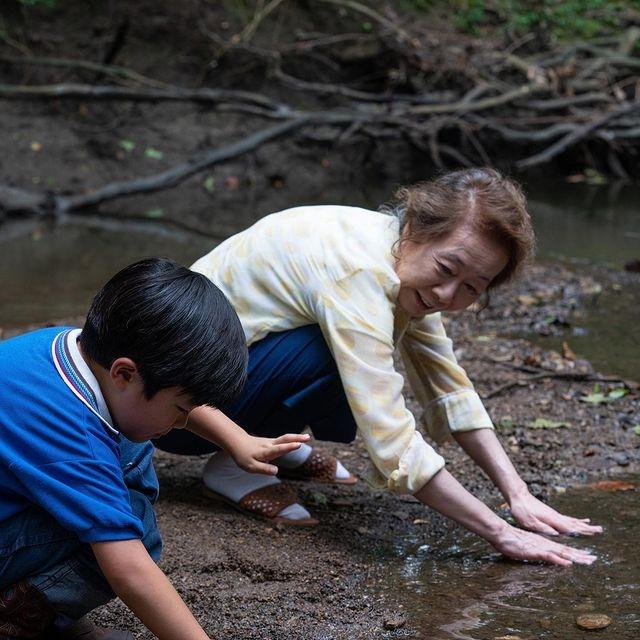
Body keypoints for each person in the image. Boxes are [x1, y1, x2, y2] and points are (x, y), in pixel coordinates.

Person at [156, 168, 601, 565]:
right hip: (176, 412)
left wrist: (518, 493)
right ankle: (234, 464)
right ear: (415, 227)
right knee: (336, 353)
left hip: (218, 378)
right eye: (447, 268)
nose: (449, 294)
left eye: (472, 286)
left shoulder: (397, 258)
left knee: (353, 344)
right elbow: (392, 439)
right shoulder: (360, 275)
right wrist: (503, 534)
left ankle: (274, 439)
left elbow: (447, 387)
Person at [0, 258, 309, 640]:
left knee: (131, 448)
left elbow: (169, 393)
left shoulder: (73, 348)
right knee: (135, 526)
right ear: (124, 373)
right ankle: (21, 619)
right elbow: (129, 569)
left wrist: (237, 440)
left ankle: (43, 603)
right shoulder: (72, 436)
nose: (182, 422)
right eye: (180, 410)